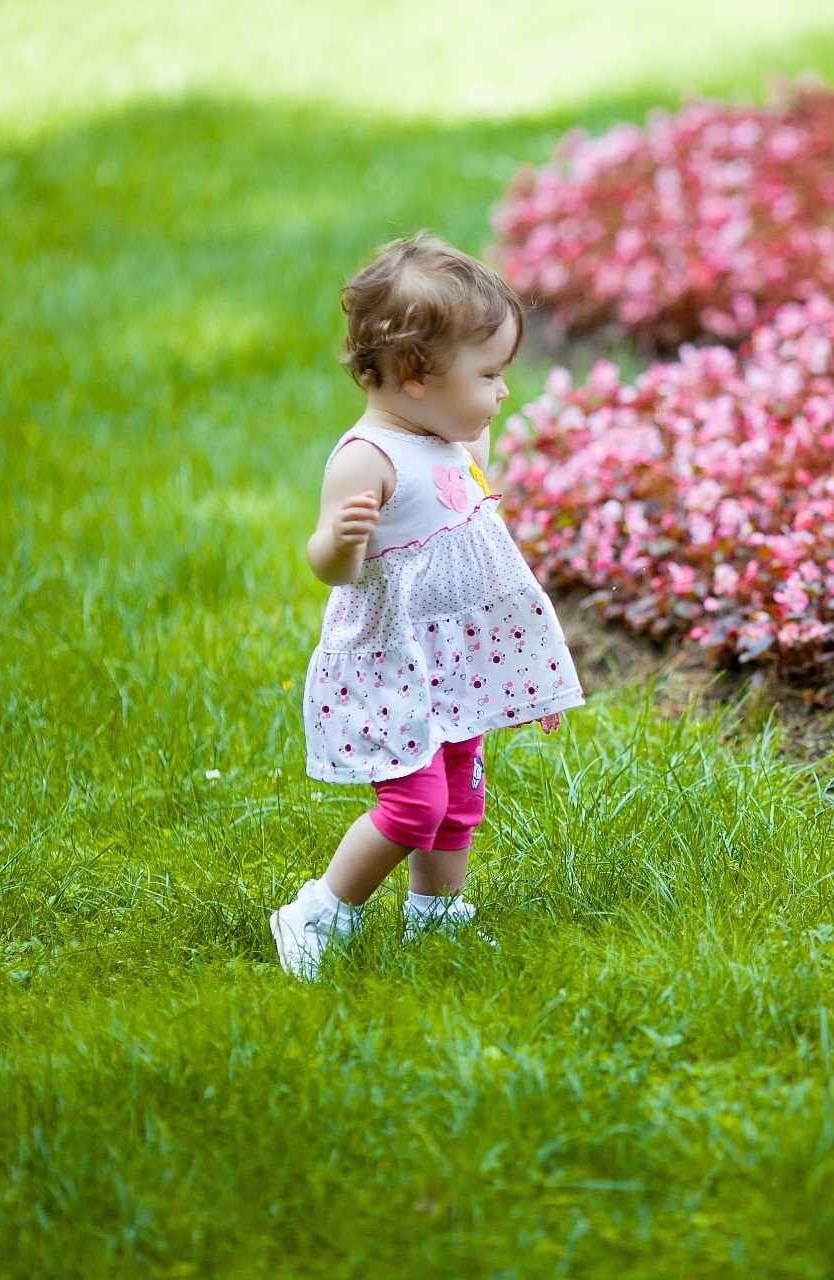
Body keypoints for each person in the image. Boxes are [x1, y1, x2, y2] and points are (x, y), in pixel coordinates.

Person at [270, 233, 583, 979]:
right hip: (393, 660)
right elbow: (328, 566)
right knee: (414, 805)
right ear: (415, 374)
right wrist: (341, 542)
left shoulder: (444, 437)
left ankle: (436, 915)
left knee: (460, 792)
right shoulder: (366, 458)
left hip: (450, 656)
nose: (503, 391)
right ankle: (317, 914)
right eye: (490, 374)